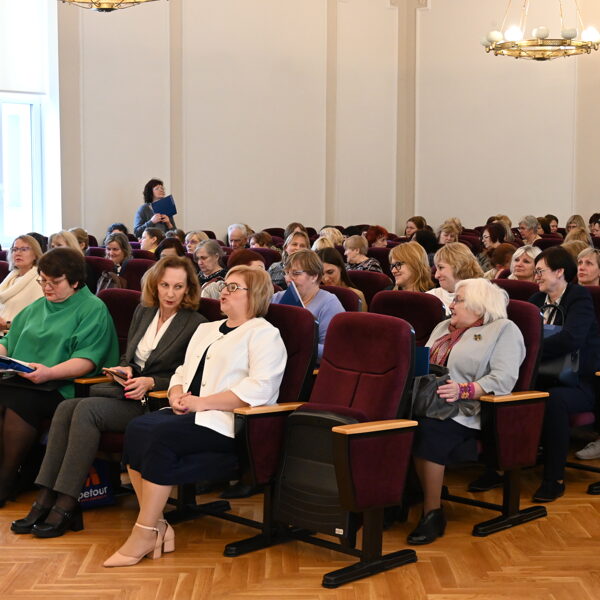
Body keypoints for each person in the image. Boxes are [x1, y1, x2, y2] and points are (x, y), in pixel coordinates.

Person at [103, 266, 287, 567]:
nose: (224, 291)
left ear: (254, 295)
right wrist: (176, 393)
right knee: (137, 428)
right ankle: (156, 524)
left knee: (157, 435)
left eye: (234, 287)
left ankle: (144, 531)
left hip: (230, 424)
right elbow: (181, 372)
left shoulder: (265, 334)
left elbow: (259, 389)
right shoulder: (206, 329)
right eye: (225, 285)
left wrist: (201, 403)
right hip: (189, 412)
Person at [10, 257, 206, 537]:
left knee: (86, 411)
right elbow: (132, 356)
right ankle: (44, 497)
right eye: (165, 285)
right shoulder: (144, 311)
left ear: (188, 290)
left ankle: (66, 503)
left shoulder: (195, 323)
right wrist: (124, 368)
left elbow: (190, 374)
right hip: (126, 392)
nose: (171, 293)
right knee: (67, 407)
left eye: (178, 286)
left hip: (157, 401)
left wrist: (151, 382)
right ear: (156, 285)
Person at [407, 279, 525, 545]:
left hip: (471, 408)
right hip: (429, 402)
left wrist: (466, 390)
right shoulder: (443, 327)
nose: (452, 305)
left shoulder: (503, 330)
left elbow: (504, 378)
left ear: (479, 304)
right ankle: (399, 498)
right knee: (398, 424)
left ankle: (432, 512)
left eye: (458, 300)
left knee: (430, 431)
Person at [0, 248, 118, 504]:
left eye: (55, 282)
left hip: (63, 387)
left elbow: (87, 360)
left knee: (19, 403)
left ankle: (5, 481)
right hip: (26, 381)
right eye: (43, 280)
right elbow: (9, 341)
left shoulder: (92, 309)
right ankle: (18, 474)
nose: (46, 288)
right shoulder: (37, 307)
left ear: (75, 281)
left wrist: (49, 373)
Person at [527, 247, 600, 501]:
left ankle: (554, 478)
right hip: (542, 374)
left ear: (559, 272)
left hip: (579, 380)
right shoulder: (535, 300)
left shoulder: (579, 298)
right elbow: (518, 337)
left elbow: (572, 340)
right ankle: (499, 467)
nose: (536, 276)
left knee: (554, 400)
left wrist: (532, 351)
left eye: (540, 271)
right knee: (505, 390)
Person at [272, 249, 344, 360]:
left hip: (307, 369)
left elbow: (331, 350)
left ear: (314, 276)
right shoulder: (278, 297)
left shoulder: (329, 304)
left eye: (295, 273)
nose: (288, 279)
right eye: (286, 273)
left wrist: (295, 344)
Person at [0, 236, 44, 333]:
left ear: (35, 254)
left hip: (14, 335)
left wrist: (6, 325)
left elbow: (37, 321)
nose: (18, 253)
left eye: (24, 249)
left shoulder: (40, 281)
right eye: (15, 249)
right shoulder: (11, 278)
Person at [427, 242, 483, 315]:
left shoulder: (484, 298)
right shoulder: (430, 298)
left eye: (441, 267)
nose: (436, 276)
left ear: (460, 266)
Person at [202, 249, 266, 299]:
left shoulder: (265, 292)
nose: (265, 274)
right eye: (260, 269)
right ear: (240, 271)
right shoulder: (211, 290)